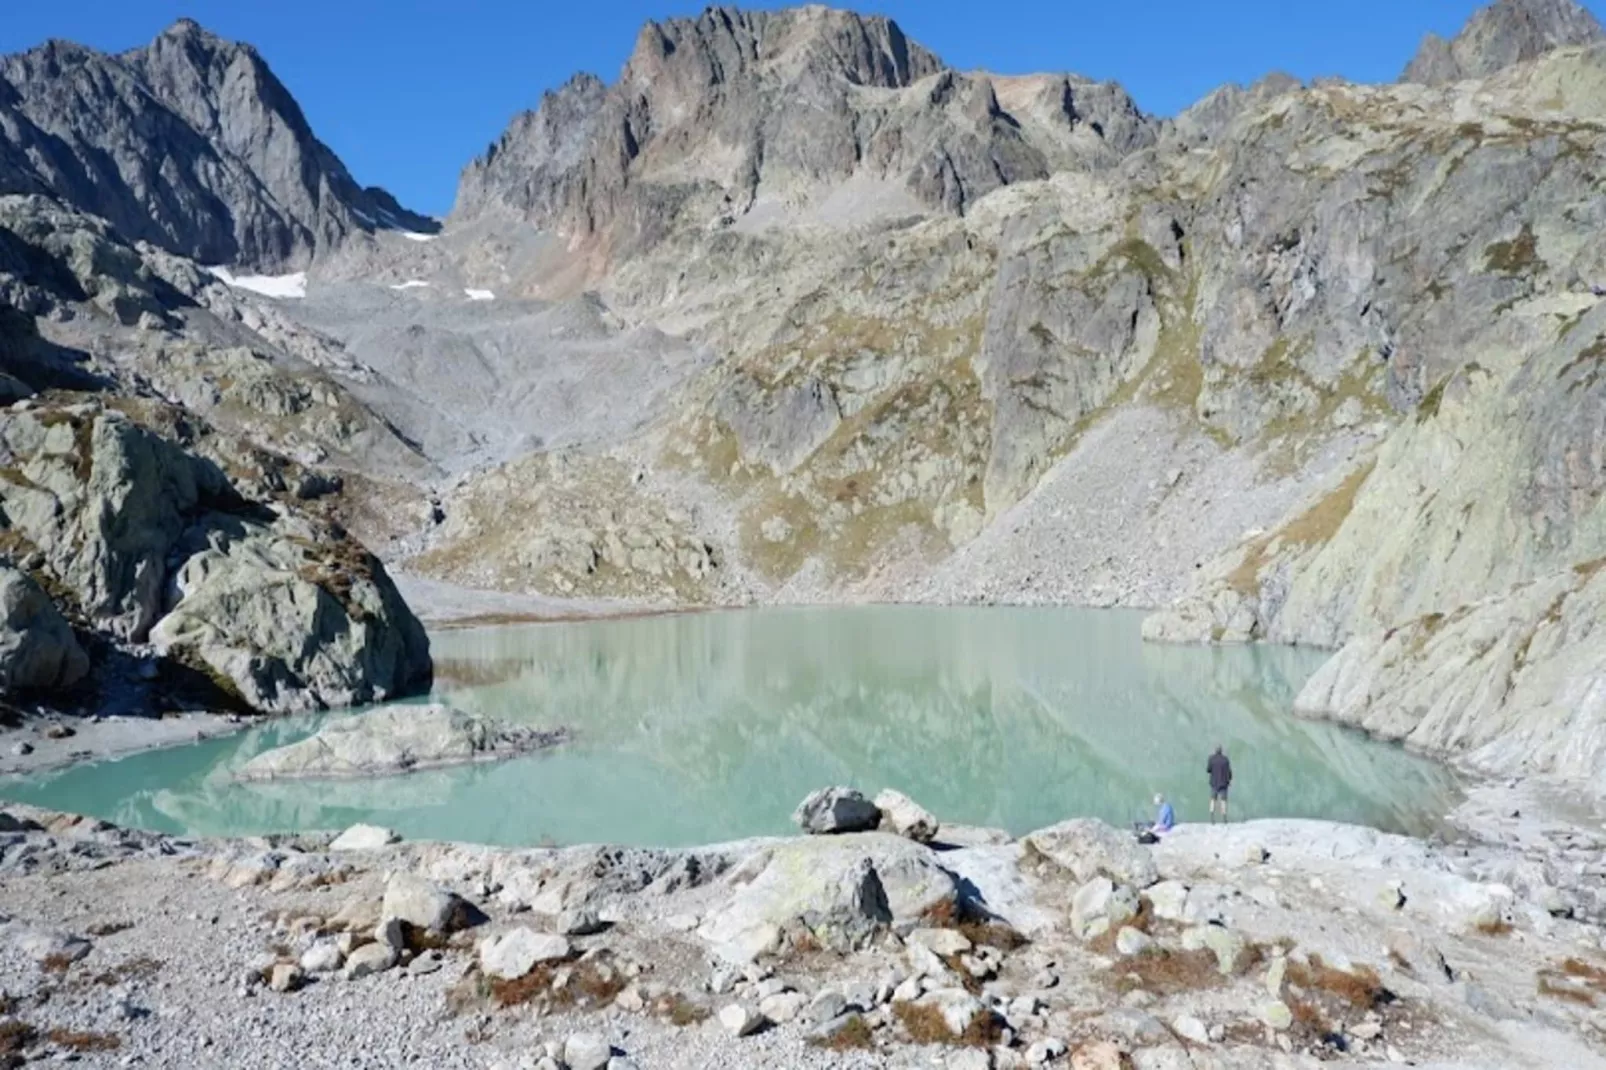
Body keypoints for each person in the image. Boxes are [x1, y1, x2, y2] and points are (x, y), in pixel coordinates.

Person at [1207, 745, 1233, 823]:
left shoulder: (1211, 759)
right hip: (1223, 783)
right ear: (1221, 751)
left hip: (1214, 782)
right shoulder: (1225, 760)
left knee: (1213, 800)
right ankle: (1224, 818)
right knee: (1223, 800)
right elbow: (1229, 772)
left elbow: (1208, 770)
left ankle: (1212, 816)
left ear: (1215, 751)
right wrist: (1229, 780)